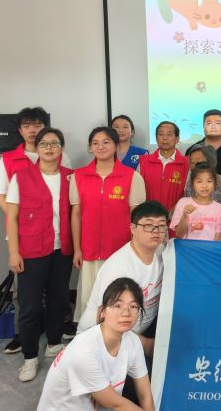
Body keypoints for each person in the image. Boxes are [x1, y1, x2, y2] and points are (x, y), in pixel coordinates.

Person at [0, 106, 72, 354]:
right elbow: (1, 196)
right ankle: (26, 342)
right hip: (26, 239)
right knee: (26, 298)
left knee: (58, 294)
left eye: (38, 125)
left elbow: (70, 204)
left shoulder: (64, 163)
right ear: (20, 130)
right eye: (27, 126)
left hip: (58, 241)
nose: (33, 130)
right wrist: (28, 220)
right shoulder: (9, 160)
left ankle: (54, 337)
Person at [6, 128, 74, 382]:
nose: (49, 148)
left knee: (59, 299)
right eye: (44, 143)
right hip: (32, 250)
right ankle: (30, 356)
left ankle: (54, 343)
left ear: (61, 148)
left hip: (62, 249)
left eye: (54, 143)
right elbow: (12, 218)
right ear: (37, 148)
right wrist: (14, 252)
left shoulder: (70, 177)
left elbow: (77, 214)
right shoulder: (21, 177)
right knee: (30, 306)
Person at [38, 277, 154, 411]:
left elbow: (145, 394)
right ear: (102, 311)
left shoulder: (133, 342)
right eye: (117, 305)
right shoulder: (84, 352)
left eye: (133, 306)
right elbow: (117, 404)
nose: (126, 313)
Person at [77, 201, 168, 362]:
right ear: (133, 228)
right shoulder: (119, 268)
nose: (156, 231)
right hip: (100, 340)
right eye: (148, 225)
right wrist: (147, 345)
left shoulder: (163, 253)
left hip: (136, 332)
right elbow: (104, 321)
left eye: (161, 225)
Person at [71, 127, 146, 321]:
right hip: (89, 249)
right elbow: (76, 214)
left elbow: (137, 218)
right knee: (90, 298)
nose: (100, 147)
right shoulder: (78, 176)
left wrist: (137, 250)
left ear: (116, 146)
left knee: (119, 298)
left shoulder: (132, 176)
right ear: (90, 148)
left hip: (120, 249)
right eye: (95, 143)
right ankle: (89, 333)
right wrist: (77, 249)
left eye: (106, 142)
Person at [137, 121, 189, 213]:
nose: (165, 138)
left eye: (169, 134)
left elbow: (188, 193)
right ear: (156, 138)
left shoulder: (186, 163)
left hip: (176, 216)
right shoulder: (143, 162)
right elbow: (137, 192)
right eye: (161, 134)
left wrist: (172, 212)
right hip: (148, 215)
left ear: (177, 139)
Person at [171, 164, 221, 241]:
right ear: (192, 184)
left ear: (215, 183)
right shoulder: (183, 202)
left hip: (209, 249)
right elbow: (179, 235)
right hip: (187, 248)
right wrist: (185, 216)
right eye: (199, 181)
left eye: (209, 181)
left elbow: (218, 238)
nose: (204, 185)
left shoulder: (220, 208)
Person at [185, 109, 221, 176]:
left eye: (217, 123)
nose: (213, 126)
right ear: (203, 126)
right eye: (209, 123)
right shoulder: (192, 150)